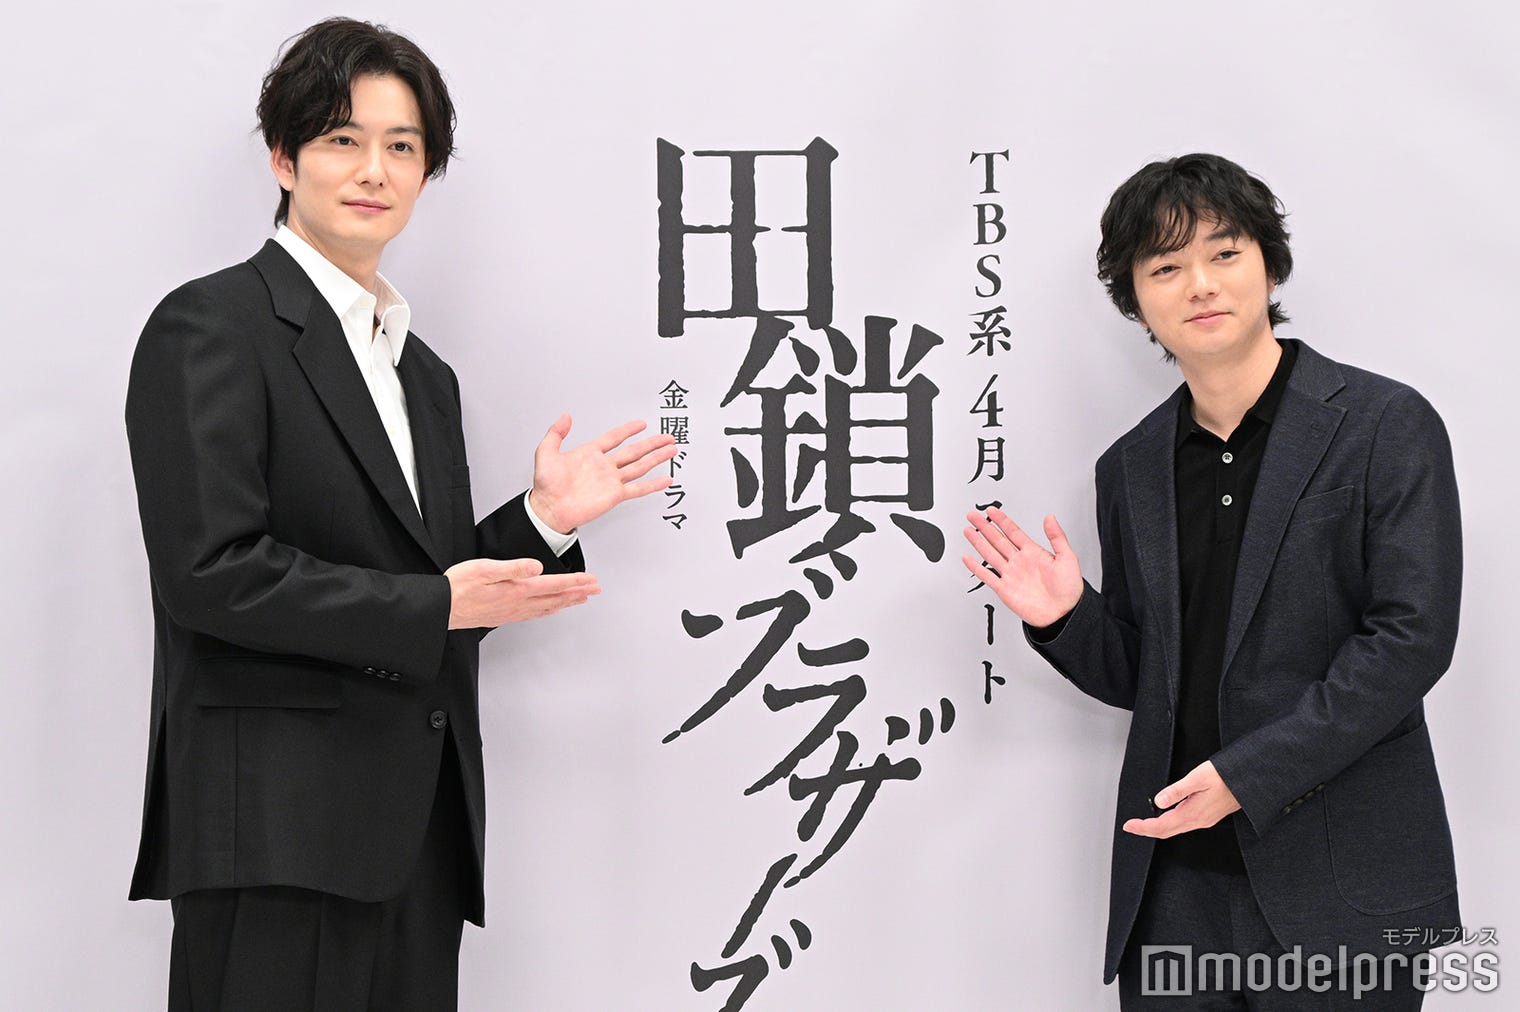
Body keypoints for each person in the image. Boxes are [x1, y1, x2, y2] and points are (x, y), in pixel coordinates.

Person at [124, 17, 677, 1010]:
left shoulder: (424, 375)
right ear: (284, 157)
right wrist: (438, 604)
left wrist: (543, 520)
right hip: (276, 840)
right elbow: (210, 574)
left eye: (403, 146)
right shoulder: (210, 326)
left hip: (417, 836)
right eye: (343, 139)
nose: (374, 170)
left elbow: (431, 587)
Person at [963, 153, 1460, 1008]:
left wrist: (1245, 776)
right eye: (1164, 267)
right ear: (1136, 301)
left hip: (1339, 880)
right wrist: (1067, 618)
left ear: (1269, 265)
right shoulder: (1129, 468)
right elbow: (1149, 678)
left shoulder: (1385, 424)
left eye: (1224, 253)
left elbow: (1411, 641)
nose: (1199, 284)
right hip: (1174, 888)